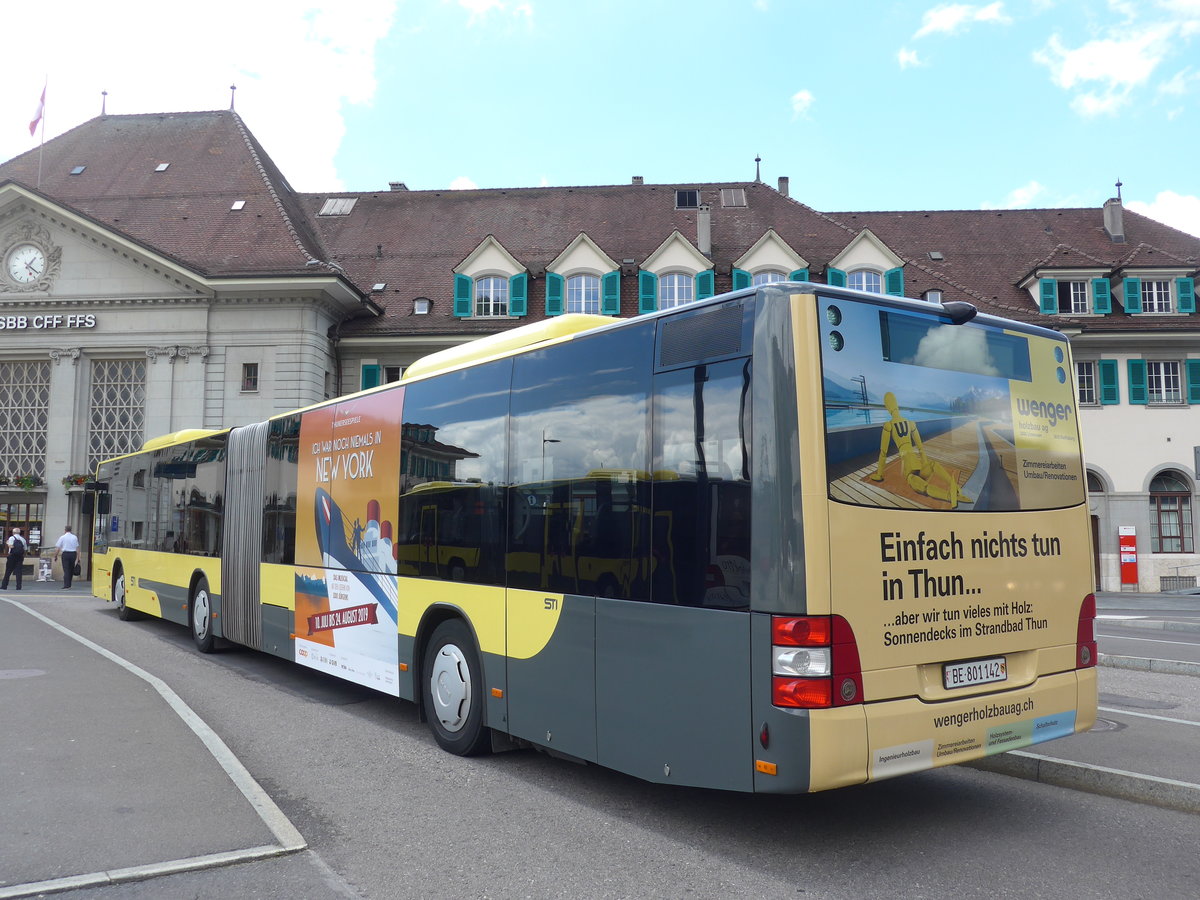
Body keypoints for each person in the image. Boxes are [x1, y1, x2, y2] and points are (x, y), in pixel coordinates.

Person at [2, 526, 28, 591]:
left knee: (8, 571)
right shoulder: (23, 539)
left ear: (13, 532)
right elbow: (25, 549)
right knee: (19, 572)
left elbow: (11, 546)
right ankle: (18, 587)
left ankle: (4, 586)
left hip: (12, 556)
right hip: (20, 557)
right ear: (19, 532)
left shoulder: (11, 538)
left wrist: (7, 543)